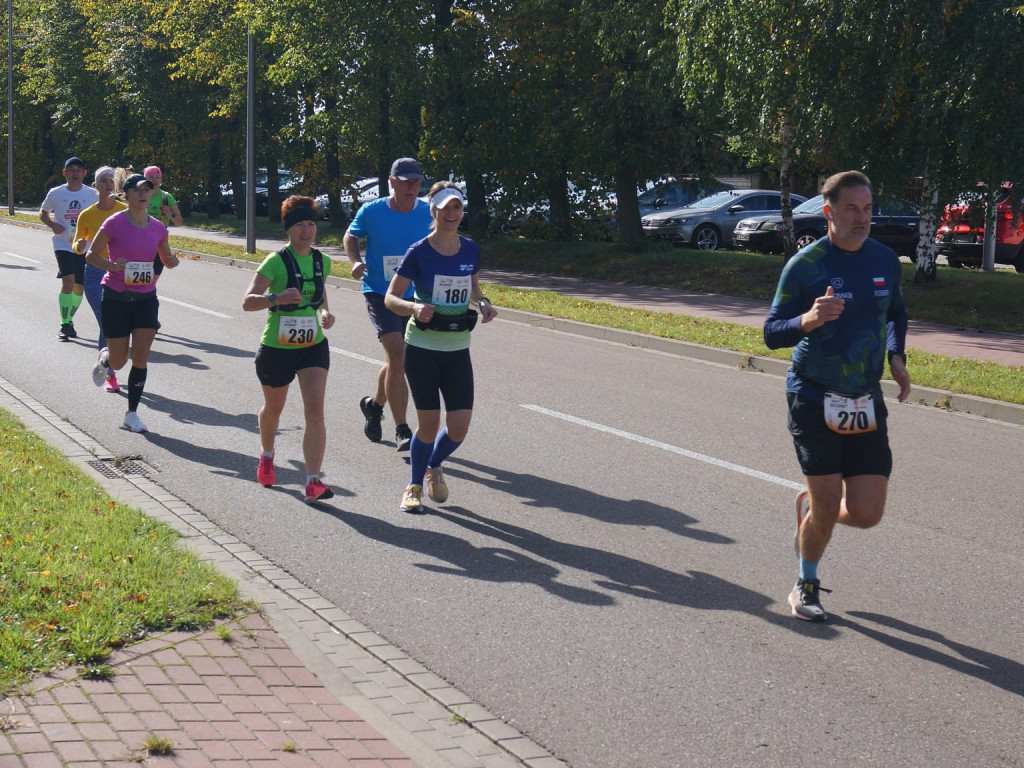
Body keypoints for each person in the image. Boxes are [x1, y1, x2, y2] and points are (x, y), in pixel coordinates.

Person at [763, 170, 911, 622]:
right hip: (813, 394)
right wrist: (808, 320)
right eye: (851, 208)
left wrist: (897, 359)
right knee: (830, 504)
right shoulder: (806, 265)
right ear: (829, 212)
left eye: (867, 209)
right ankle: (805, 583)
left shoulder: (884, 260)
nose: (861, 218)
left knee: (867, 513)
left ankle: (812, 511)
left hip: (864, 399)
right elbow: (772, 333)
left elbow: (896, 314)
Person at [384, 182, 498, 512]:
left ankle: (434, 465)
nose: (451, 214)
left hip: (457, 348)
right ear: (433, 211)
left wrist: (484, 302)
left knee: (459, 427)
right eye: (445, 208)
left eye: (457, 208)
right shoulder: (419, 251)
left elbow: (473, 287)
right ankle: (414, 485)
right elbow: (391, 298)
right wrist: (414, 308)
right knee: (430, 425)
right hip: (421, 347)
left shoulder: (470, 250)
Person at [242, 195, 336, 504]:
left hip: (313, 347)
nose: (307, 231)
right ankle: (267, 455)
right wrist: (276, 299)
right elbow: (247, 302)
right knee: (274, 409)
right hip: (276, 348)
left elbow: (319, 293)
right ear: (288, 229)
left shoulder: (323, 260)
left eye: (311, 224)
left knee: (316, 412)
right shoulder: (276, 261)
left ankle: (313, 482)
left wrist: (323, 312)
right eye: (299, 225)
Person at [344, 157, 432, 452]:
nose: (412, 187)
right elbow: (350, 237)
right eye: (406, 182)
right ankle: (402, 428)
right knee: (399, 356)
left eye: (417, 182)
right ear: (392, 182)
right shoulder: (372, 211)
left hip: (415, 295)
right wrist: (355, 262)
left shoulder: (427, 212)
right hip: (380, 292)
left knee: (397, 360)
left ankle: (374, 405)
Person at [85, 173, 180, 433]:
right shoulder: (114, 223)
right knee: (119, 361)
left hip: (146, 298)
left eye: (147, 190)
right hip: (116, 296)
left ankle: (131, 414)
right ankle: (105, 361)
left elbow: (166, 257)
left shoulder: (159, 228)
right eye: (137, 190)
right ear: (125, 194)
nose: (143, 193)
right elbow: (92, 255)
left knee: (140, 356)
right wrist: (111, 265)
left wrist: (172, 261)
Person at [73, 165, 127, 392]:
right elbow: (76, 245)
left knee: (117, 324)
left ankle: (105, 362)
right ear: (96, 186)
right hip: (95, 273)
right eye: (103, 180)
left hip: (119, 273)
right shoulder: (87, 214)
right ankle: (110, 373)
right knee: (107, 321)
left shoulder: (125, 210)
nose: (107, 184)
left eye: (110, 180)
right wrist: (80, 245)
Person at [40, 156, 99, 341]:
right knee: (68, 281)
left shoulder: (92, 194)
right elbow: (43, 213)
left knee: (79, 288)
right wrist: (52, 224)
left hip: (84, 245)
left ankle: (69, 319)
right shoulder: (55, 193)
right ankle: (65, 324)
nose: (75, 173)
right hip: (63, 243)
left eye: (78, 170)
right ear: (65, 173)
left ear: (84, 174)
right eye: (71, 170)